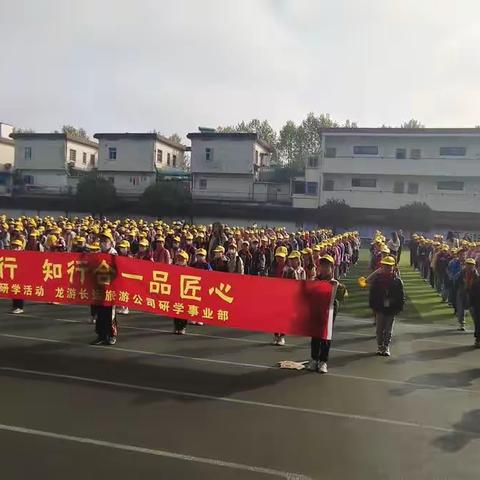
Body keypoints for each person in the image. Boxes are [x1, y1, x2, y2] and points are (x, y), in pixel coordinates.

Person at [307, 254, 347, 373]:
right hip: (316, 310)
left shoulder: (335, 283)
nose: (324, 268)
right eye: (322, 266)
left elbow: (341, 297)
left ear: (332, 268)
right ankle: (314, 359)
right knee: (315, 335)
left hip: (329, 311)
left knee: (325, 335)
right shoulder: (316, 280)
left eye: (327, 266)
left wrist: (339, 287)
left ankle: (323, 361)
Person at [369, 255, 405, 356]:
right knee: (379, 329)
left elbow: (401, 296)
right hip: (380, 307)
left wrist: (399, 308)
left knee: (388, 330)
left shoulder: (397, 281)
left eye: (389, 266)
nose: (387, 268)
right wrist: (373, 307)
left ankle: (386, 346)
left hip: (392, 308)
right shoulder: (377, 280)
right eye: (385, 266)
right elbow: (372, 294)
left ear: (393, 267)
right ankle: (380, 345)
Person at [91, 231, 118, 345]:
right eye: (101, 241)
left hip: (110, 288)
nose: (103, 243)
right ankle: (101, 335)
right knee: (100, 312)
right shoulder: (98, 254)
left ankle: (111, 335)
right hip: (99, 287)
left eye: (105, 241)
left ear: (111, 242)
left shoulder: (114, 255)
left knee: (109, 313)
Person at [173, 250, 190, 334]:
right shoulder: (173, 268)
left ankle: (183, 327)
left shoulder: (189, 270)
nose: (180, 260)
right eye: (179, 258)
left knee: (183, 310)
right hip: (175, 292)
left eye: (182, 259)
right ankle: (176, 326)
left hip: (185, 293)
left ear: (186, 260)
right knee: (175, 309)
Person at [466, 258, 480, 347]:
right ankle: (478, 339)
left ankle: (478, 339)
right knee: (478, 322)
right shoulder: (477, 280)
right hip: (477, 304)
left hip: (476, 303)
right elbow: (472, 292)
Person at [10, 239, 25, 314]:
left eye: (17, 246)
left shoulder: (23, 255)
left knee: (19, 291)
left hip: (21, 276)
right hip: (13, 276)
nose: (15, 248)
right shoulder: (10, 255)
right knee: (14, 290)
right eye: (13, 246)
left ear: (21, 248)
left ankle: (20, 307)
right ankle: (15, 306)